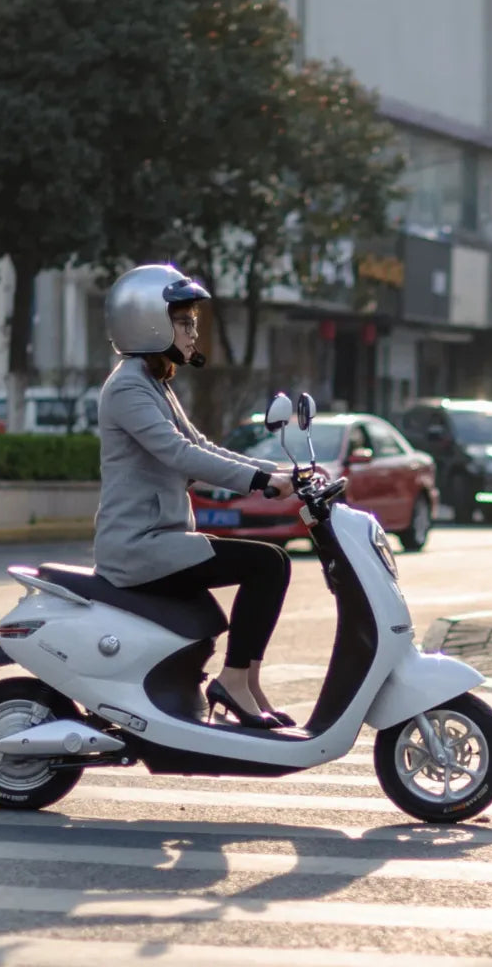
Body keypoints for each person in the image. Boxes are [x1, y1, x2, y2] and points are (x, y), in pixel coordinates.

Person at [94, 264, 295, 730]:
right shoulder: (127, 387)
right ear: (148, 321)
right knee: (266, 564)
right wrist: (260, 483)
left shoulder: (152, 383)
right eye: (184, 322)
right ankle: (234, 681)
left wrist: (277, 472)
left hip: (161, 541)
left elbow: (200, 445)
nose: (193, 332)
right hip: (138, 548)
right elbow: (179, 453)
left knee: (273, 563)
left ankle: (247, 680)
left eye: (192, 323)